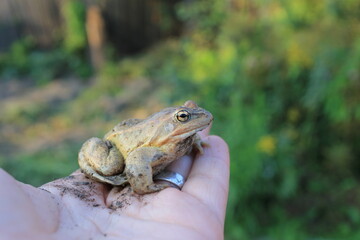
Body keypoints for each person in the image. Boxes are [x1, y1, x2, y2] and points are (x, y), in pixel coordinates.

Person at [0, 127, 229, 240]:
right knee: (112, 166)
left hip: (136, 129)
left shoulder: (176, 138)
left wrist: (193, 138)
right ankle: (99, 169)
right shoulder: (154, 146)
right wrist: (146, 186)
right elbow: (138, 162)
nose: (194, 117)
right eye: (182, 117)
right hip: (117, 147)